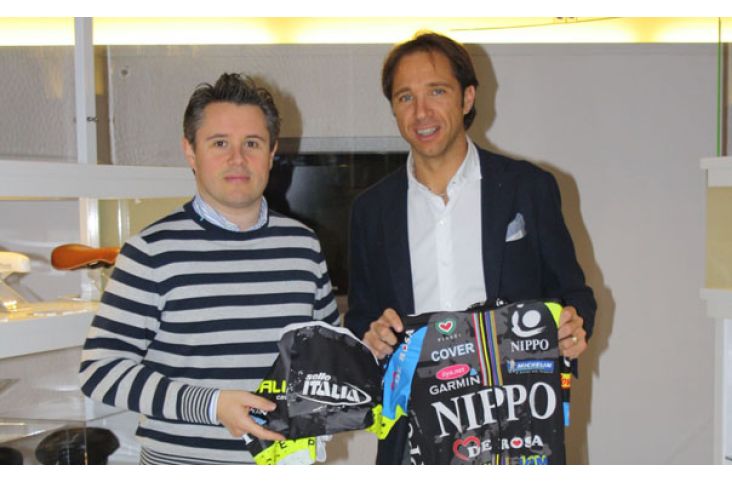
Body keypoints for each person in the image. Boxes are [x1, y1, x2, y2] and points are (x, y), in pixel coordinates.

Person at [345, 32, 597, 464]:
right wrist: (372, 336)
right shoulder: (371, 211)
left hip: (517, 424)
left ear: (467, 98)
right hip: (414, 433)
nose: (421, 112)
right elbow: (360, 317)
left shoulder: (528, 188)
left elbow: (574, 293)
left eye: (437, 91)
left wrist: (575, 324)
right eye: (405, 97)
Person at [79, 73, 339, 464]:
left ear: (271, 153)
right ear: (190, 151)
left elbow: (327, 354)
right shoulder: (150, 252)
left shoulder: (303, 246)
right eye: (219, 143)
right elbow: (100, 370)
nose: (238, 159)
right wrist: (212, 404)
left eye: (252, 143)